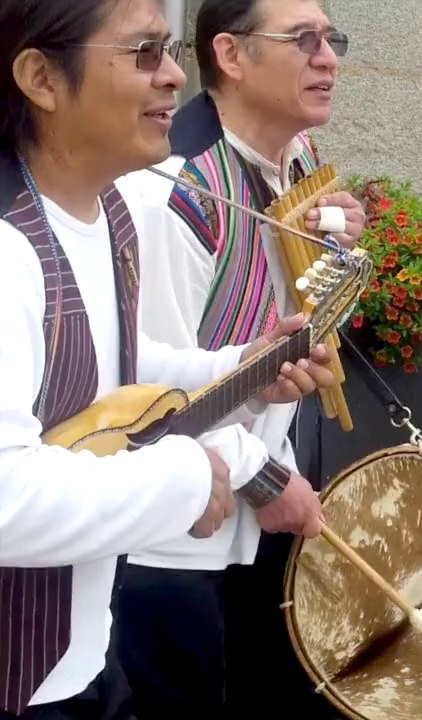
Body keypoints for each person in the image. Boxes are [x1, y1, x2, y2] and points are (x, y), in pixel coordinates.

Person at [0, 1, 335, 718]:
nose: (177, 76)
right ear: (41, 77)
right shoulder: (8, 249)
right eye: (145, 52)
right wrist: (190, 475)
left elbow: (111, 365)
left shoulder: (107, 213)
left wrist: (242, 364)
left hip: (80, 651)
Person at [110, 1, 363, 717]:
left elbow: (302, 324)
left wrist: (341, 250)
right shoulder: (174, 188)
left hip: (265, 499)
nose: (328, 58)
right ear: (230, 53)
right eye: (304, 41)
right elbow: (144, 385)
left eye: (332, 39)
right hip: (179, 536)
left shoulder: (298, 165)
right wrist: (266, 477)